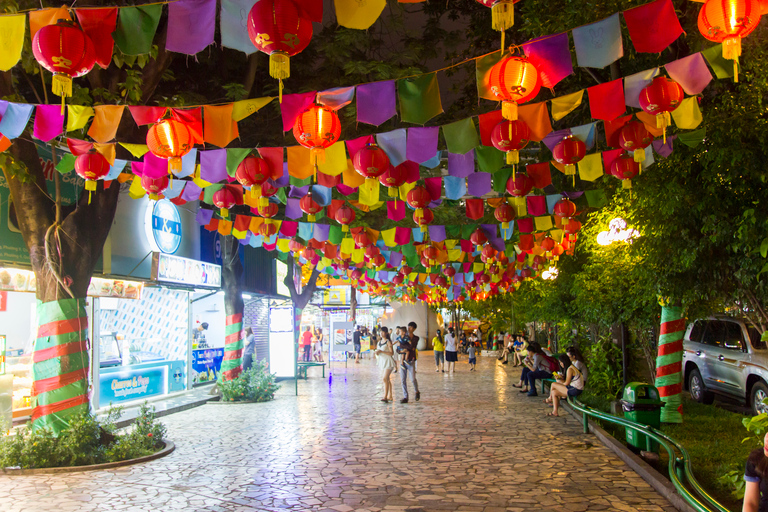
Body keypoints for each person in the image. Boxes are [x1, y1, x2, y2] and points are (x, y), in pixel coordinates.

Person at [546, 347, 588, 416]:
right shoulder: (570, 367)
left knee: (553, 384)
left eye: (561, 362)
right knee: (554, 392)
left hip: (575, 389)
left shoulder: (570, 369)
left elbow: (566, 383)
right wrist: (560, 380)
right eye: (559, 362)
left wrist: (559, 381)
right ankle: (555, 411)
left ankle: (550, 399)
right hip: (575, 388)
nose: (561, 364)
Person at [396, 321, 420, 403]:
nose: (409, 328)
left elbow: (412, 347)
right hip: (402, 360)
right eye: (408, 327)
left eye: (411, 327)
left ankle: (416, 391)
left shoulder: (416, 338)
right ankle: (405, 396)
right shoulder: (402, 336)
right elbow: (398, 348)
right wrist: (403, 348)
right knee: (403, 379)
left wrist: (403, 347)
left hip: (411, 360)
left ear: (414, 329)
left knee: (413, 378)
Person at [375, 326, 396, 402]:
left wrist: (382, 351)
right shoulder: (379, 342)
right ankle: (390, 395)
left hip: (388, 362)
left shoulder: (388, 342)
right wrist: (377, 353)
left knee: (384, 378)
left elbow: (391, 353)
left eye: (383, 332)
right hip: (382, 362)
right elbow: (378, 352)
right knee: (387, 379)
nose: (381, 333)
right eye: (380, 332)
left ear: (386, 333)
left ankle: (385, 396)